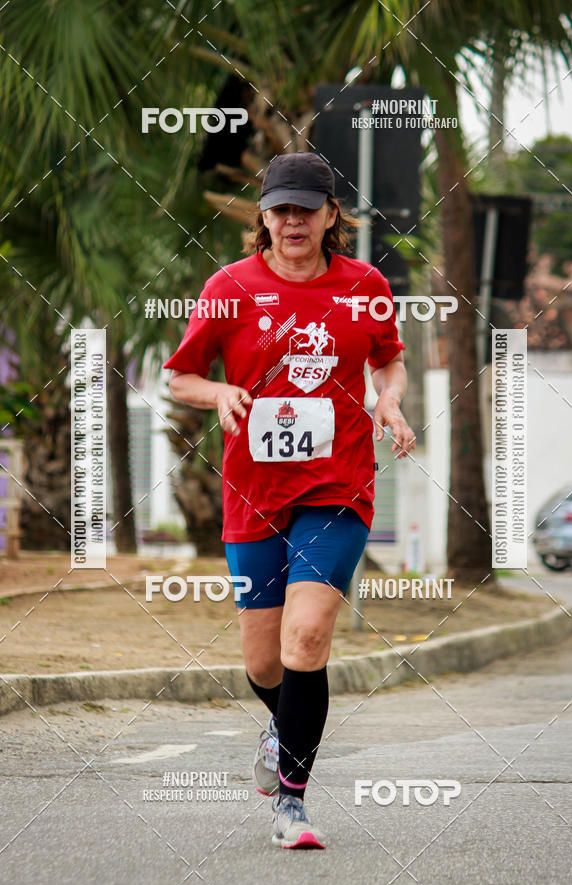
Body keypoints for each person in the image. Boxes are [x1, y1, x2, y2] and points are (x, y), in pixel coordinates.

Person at [164, 151, 415, 849]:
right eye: (281, 208)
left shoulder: (364, 285)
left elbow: (387, 357)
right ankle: (283, 729)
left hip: (338, 486)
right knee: (264, 663)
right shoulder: (228, 287)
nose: (293, 220)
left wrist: (389, 400)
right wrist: (219, 392)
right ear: (263, 217)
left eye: (307, 207)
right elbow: (181, 375)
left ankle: (293, 803)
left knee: (307, 635)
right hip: (254, 490)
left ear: (332, 215)